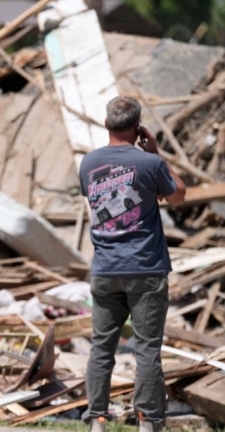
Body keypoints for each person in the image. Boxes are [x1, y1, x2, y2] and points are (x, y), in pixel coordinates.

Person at [79, 96, 186, 432]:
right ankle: (147, 421)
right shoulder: (149, 164)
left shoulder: (88, 164)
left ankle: (96, 418)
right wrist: (154, 152)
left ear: (106, 124)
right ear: (138, 127)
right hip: (146, 268)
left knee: (101, 346)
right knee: (147, 350)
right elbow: (179, 195)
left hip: (106, 268)